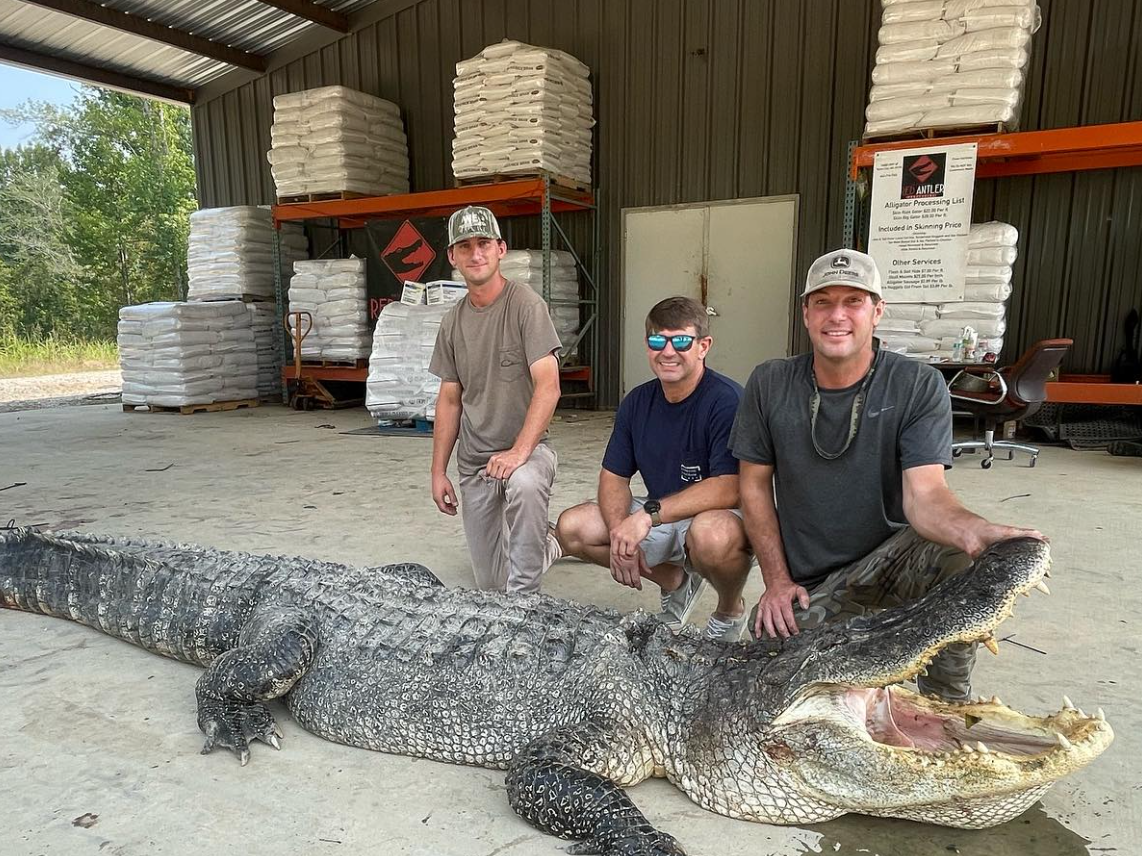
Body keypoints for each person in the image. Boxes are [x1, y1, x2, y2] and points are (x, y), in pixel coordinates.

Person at [729, 248, 1043, 701]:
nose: (837, 315)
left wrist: (974, 532)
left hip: (895, 562)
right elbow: (754, 487)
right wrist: (776, 581)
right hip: (817, 583)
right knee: (763, 679)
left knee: (955, 558)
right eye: (823, 301)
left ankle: (944, 705)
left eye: (853, 301)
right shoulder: (770, 382)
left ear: (877, 311)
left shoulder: (916, 385)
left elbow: (926, 495)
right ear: (805, 312)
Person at [549, 296, 754, 641]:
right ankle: (674, 580)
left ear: (704, 346)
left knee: (710, 537)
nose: (668, 351)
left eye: (681, 341)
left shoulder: (727, 401)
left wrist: (646, 517)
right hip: (661, 513)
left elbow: (731, 486)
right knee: (572, 528)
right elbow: (614, 478)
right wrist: (620, 535)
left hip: (718, 516)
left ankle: (730, 610)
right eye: (658, 340)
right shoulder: (637, 402)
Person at [428, 205, 563, 594]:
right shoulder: (453, 322)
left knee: (523, 484)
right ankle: (547, 544)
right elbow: (450, 400)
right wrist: (439, 472)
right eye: (465, 246)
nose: (476, 254)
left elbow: (548, 386)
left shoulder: (526, 307)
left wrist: (520, 452)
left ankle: (525, 606)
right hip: (476, 463)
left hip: (528, 451)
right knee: (490, 584)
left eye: (484, 243)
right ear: (452, 257)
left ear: (501, 248)